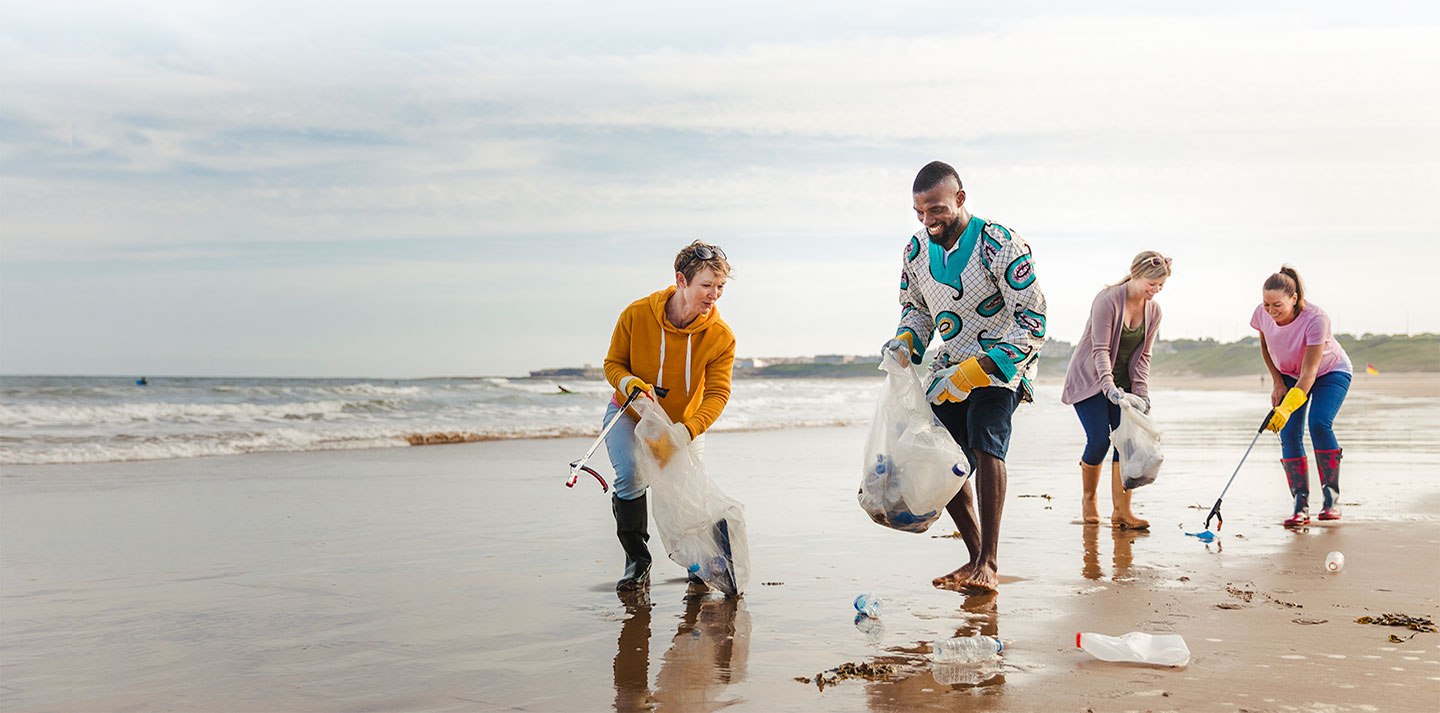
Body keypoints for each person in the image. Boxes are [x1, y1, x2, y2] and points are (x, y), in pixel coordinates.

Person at [882, 161, 1048, 592]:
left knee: (984, 442)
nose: (927, 220)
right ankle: (974, 557)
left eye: (935, 209)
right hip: (950, 364)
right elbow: (916, 309)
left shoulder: (1001, 244)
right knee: (944, 456)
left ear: (959, 198)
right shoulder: (915, 251)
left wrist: (983, 367)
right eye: (919, 212)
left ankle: (989, 563)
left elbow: (1033, 319)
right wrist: (906, 343)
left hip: (999, 367)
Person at [602, 241, 736, 590]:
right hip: (629, 414)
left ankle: (700, 564)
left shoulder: (720, 337)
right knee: (631, 477)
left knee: (687, 492)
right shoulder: (636, 314)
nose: (714, 295)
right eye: (706, 286)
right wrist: (629, 381)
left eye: (720, 287)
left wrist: (687, 431)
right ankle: (637, 562)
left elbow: (718, 393)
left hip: (682, 426)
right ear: (681, 280)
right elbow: (613, 364)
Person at [1060, 252, 1172, 529]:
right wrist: (1107, 386)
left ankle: (1122, 511)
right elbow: (1100, 349)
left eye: (1161, 286)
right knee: (1099, 440)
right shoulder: (1107, 300)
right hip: (1090, 380)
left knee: (1127, 443)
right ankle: (1089, 499)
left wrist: (1142, 394)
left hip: (1124, 386)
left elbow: (1144, 356)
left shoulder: (1154, 311)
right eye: (1152, 284)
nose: (1155, 291)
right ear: (1136, 274)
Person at [1251, 266, 1352, 526]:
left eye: (1278, 305)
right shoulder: (1262, 315)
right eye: (1266, 304)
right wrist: (1277, 383)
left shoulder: (1316, 318)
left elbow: (1309, 374)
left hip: (1329, 372)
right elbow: (1265, 347)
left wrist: (1286, 407)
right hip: (1287, 373)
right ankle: (1300, 505)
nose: (1271, 311)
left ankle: (1331, 501)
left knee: (1318, 423)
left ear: (1294, 299)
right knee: (1289, 433)